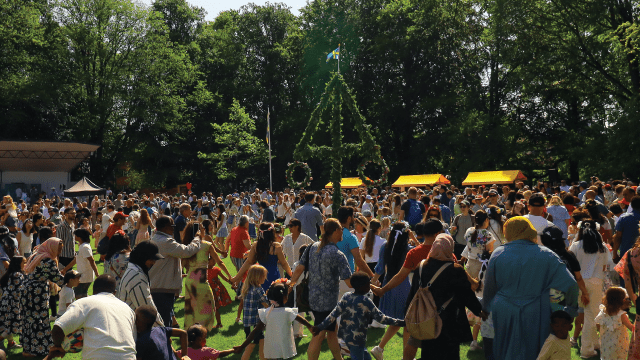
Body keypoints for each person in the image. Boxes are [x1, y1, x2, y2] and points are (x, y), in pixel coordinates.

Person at [482, 216, 578, 360]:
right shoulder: (547, 254)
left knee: (504, 352)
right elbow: (570, 284)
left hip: (504, 312)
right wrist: (568, 310)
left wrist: (486, 307)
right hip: (538, 311)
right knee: (537, 353)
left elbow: (489, 288)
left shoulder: (498, 253)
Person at [407, 234, 483, 359]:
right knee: (450, 354)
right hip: (450, 322)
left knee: (428, 353)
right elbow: (466, 295)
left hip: (426, 319)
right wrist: (478, 310)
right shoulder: (455, 270)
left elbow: (414, 294)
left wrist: (408, 316)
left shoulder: (421, 267)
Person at [289, 218, 353, 360]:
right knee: (319, 335)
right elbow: (349, 282)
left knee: (332, 331)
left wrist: (291, 284)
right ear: (336, 231)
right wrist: (369, 285)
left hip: (313, 298)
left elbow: (299, 268)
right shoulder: (338, 254)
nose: (342, 231)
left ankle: (339, 358)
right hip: (327, 302)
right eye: (341, 229)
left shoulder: (312, 247)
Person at [312, 272, 405, 360]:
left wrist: (320, 327)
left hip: (346, 336)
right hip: (356, 339)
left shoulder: (346, 296)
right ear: (364, 286)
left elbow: (333, 314)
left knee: (367, 358)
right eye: (369, 283)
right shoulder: (366, 301)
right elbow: (381, 318)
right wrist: (401, 322)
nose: (371, 285)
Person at [49, 275, 137, 360]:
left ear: (93, 291)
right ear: (114, 292)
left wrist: (60, 346)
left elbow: (58, 328)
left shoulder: (84, 303)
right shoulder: (128, 309)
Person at [370, 222, 416, 359]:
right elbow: (424, 252)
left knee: (399, 321)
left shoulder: (385, 246)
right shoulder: (409, 249)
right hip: (403, 287)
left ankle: (379, 348)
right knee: (406, 323)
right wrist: (413, 238)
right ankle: (406, 356)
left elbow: (379, 268)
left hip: (388, 285)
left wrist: (373, 282)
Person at [568, 219, 611, 358]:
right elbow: (609, 266)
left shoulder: (575, 245)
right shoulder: (603, 247)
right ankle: (587, 349)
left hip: (579, 282)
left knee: (588, 315)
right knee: (590, 316)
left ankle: (594, 344)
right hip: (596, 282)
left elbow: (569, 263)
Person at [149, 215, 201, 328]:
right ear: (166, 227)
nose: (174, 228)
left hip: (158, 284)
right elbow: (187, 251)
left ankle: (171, 337)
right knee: (164, 323)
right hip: (162, 287)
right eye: (172, 226)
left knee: (166, 318)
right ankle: (165, 343)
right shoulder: (165, 241)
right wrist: (197, 239)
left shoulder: (156, 238)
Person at [242, 281, 314, 360]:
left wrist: (242, 346)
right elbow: (301, 319)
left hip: (271, 347)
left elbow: (256, 330)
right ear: (285, 297)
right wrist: (310, 326)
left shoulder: (267, 312)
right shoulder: (288, 312)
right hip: (284, 345)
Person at [182, 221, 230, 331]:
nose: (204, 229)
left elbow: (182, 265)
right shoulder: (206, 245)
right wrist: (230, 276)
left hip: (190, 281)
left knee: (192, 310)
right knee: (208, 308)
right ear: (199, 231)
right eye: (202, 228)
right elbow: (220, 262)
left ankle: (191, 331)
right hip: (201, 281)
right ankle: (202, 332)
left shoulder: (187, 246)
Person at [21, 238, 64, 357]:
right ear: (52, 247)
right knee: (39, 319)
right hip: (37, 293)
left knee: (29, 319)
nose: (59, 252)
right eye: (58, 249)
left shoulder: (37, 255)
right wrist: (69, 279)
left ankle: (27, 349)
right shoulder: (47, 261)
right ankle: (38, 349)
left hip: (27, 290)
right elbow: (57, 278)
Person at [231, 223, 292, 292]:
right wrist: (292, 275)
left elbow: (248, 262)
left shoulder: (256, 245)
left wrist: (236, 278)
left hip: (259, 277)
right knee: (273, 298)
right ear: (271, 233)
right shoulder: (276, 246)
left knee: (260, 298)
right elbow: (284, 263)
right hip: (273, 276)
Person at [117, 240, 165, 327]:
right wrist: (162, 330)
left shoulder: (134, 270)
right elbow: (147, 309)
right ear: (142, 257)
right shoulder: (137, 276)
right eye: (151, 259)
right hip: (130, 328)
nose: (154, 263)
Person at [594, 286, 633, 360]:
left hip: (605, 342)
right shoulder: (621, 315)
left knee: (606, 357)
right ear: (622, 301)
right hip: (619, 345)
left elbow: (597, 323)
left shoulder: (603, 311)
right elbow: (631, 327)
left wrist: (601, 332)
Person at [240, 265, 270, 360]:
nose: (265, 278)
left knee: (262, 342)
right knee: (250, 347)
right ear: (258, 277)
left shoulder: (247, 288)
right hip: (254, 324)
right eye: (264, 276)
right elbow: (266, 304)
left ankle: (263, 358)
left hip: (248, 323)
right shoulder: (258, 289)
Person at [62, 228, 99, 299]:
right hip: (84, 276)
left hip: (84, 276)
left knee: (78, 295)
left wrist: (97, 274)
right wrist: (65, 269)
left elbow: (92, 260)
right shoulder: (82, 246)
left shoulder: (85, 247)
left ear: (79, 237)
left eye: (75, 235)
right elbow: (76, 260)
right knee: (83, 295)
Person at [461, 210, 495, 278]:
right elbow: (489, 253)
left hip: (470, 264)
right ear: (486, 220)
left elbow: (468, 246)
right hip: (481, 266)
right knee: (480, 287)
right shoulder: (488, 235)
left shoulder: (469, 231)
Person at [176, 324, 243, 359]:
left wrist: (168, 342)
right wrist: (232, 350)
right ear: (199, 339)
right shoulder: (206, 351)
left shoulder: (185, 351)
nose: (205, 339)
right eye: (205, 337)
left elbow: (175, 353)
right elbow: (220, 354)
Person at [0, 256, 25, 350]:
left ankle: (10, 343)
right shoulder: (18, 275)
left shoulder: (10, 274)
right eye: (24, 262)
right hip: (13, 303)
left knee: (7, 323)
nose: (25, 265)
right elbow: (21, 289)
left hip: (6, 301)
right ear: (18, 264)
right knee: (12, 325)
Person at [613, 195, 640, 262]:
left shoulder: (624, 218)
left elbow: (618, 237)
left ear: (631, 205)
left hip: (626, 256)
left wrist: (614, 254)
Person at [207, 260, 233, 328]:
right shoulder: (203, 270)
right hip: (207, 291)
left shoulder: (216, 269)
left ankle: (219, 323)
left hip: (215, 291)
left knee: (216, 307)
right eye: (212, 261)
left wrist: (230, 282)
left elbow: (223, 277)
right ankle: (207, 324)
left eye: (214, 261)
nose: (214, 262)